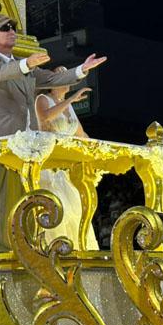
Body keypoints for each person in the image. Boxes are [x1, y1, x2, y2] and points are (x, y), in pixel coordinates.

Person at [0, 13, 107, 250]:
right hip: (1, 140)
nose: (12, 31)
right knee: (0, 195)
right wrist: (26, 64)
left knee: (27, 195)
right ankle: (2, 249)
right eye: (5, 28)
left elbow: (53, 79)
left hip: (28, 142)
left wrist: (81, 69)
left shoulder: (24, 66)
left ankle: (27, 245)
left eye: (13, 28)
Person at [35, 68, 99, 250]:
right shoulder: (42, 100)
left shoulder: (67, 105)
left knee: (76, 211)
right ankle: (57, 251)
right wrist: (71, 99)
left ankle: (80, 252)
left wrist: (96, 151)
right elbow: (45, 118)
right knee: (59, 209)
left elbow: (81, 134)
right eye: (62, 76)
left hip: (67, 168)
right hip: (50, 166)